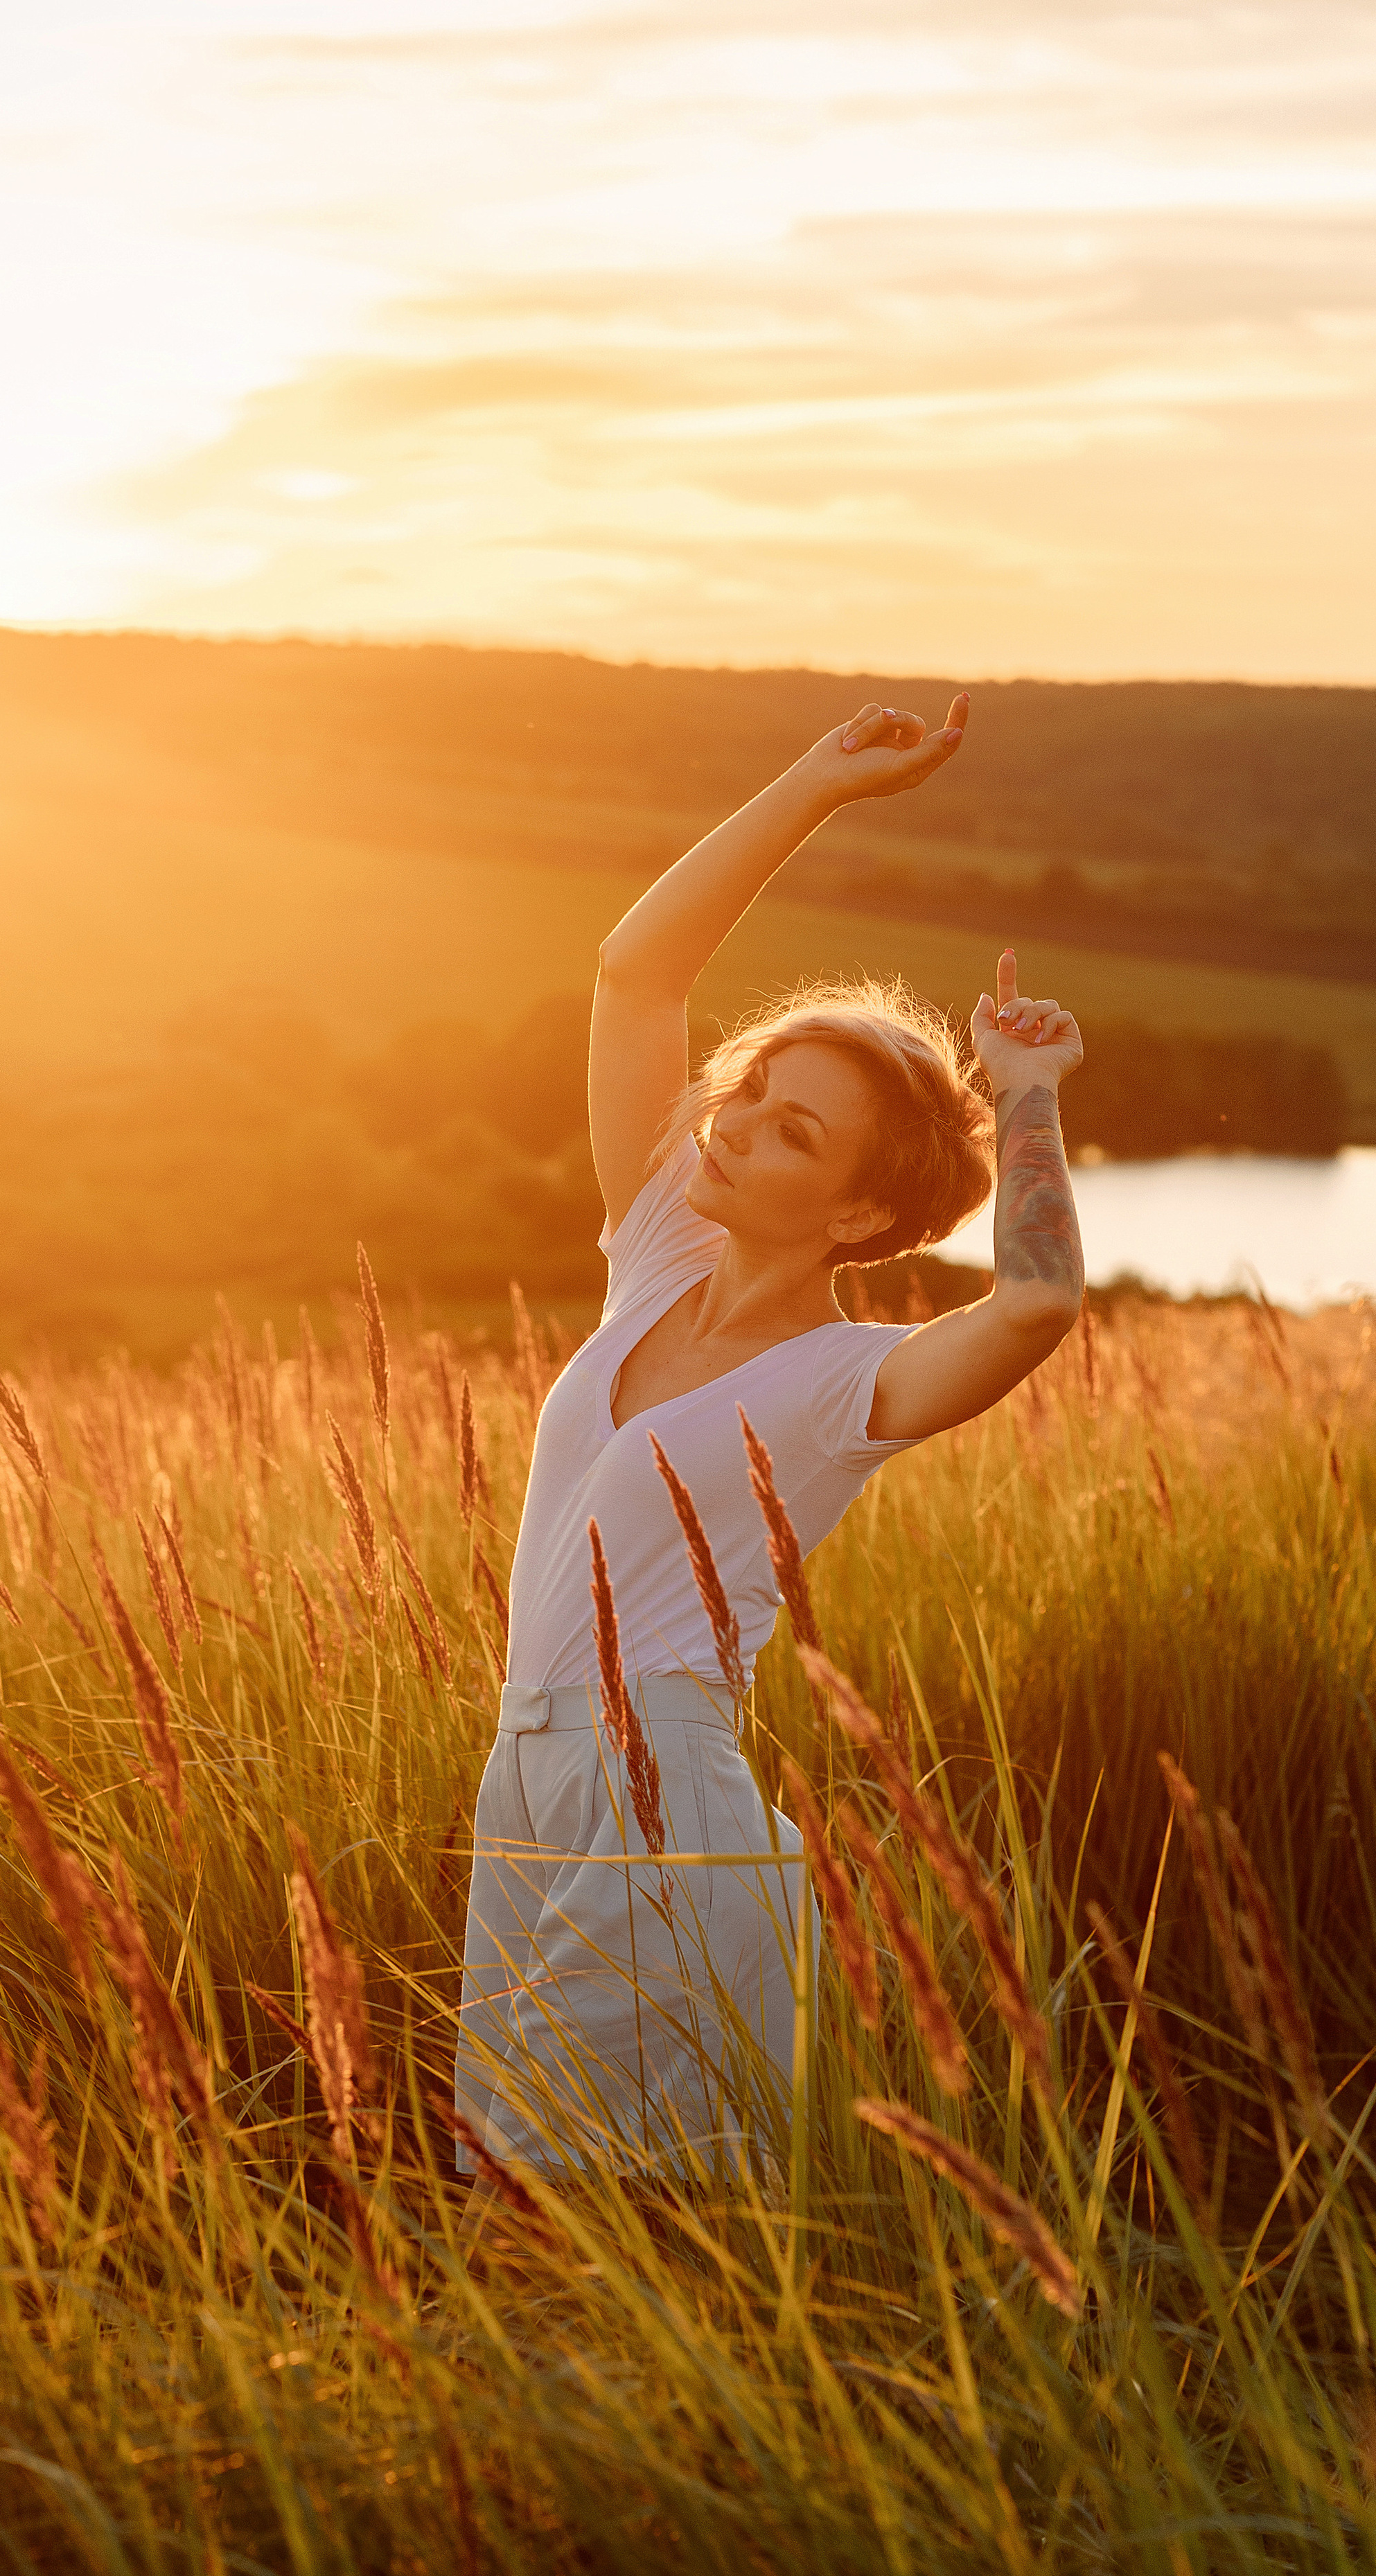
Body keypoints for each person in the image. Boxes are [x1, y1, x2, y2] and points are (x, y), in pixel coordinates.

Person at [453, 692, 1086, 2186]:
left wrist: (1033, 1102)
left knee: (593, 2209)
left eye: (794, 1132)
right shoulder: (657, 1253)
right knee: (512, 2191)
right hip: (525, 1772)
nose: (732, 1127)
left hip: (656, 1783)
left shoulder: (845, 1383)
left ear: (862, 1214)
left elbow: (1040, 1298)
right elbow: (632, 972)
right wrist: (818, 780)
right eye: (750, 1098)